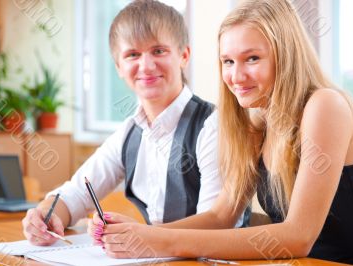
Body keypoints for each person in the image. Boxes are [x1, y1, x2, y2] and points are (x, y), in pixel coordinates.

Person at [94, 0, 353, 264]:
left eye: (252, 58)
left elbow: (299, 236)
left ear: (286, 55)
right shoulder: (258, 127)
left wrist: (159, 240)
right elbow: (221, 217)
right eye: (228, 61)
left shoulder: (325, 106)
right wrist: (140, 234)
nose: (236, 75)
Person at [22, 0, 249, 247]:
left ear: (183, 55)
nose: (146, 66)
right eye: (132, 55)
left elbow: (217, 224)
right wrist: (47, 214)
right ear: (119, 67)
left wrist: (141, 235)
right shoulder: (130, 132)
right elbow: (76, 193)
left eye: (159, 51)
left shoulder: (213, 126)